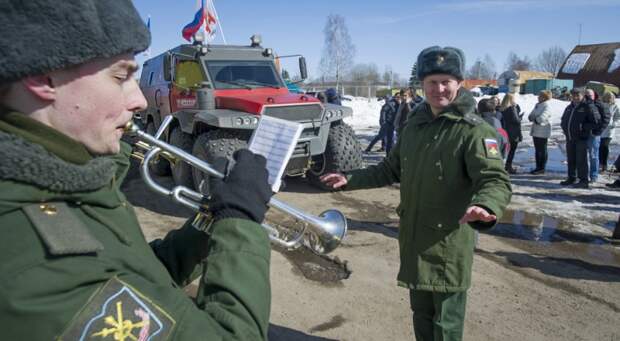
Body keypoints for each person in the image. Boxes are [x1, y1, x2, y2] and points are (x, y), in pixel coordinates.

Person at [0, 1, 274, 339]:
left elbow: (139, 275)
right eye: (120, 76)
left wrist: (211, 220)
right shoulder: (36, 264)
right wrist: (240, 223)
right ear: (44, 78)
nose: (140, 99)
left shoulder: (69, 181)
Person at [321, 46, 511, 341]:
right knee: (421, 316)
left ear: (459, 83)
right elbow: (389, 170)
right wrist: (349, 179)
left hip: (447, 243)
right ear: (421, 85)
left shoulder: (473, 131)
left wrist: (486, 205)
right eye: (432, 82)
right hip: (414, 240)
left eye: (446, 81)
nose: (439, 89)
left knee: (446, 325)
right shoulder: (415, 127)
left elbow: (495, 179)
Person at [560, 88, 598, 188]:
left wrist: (583, 128)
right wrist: (564, 127)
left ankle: (583, 180)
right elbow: (564, 119)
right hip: (570, 137)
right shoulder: (570, 107)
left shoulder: (588, 106)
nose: (575, 98)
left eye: (578, 95)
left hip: (581, 138)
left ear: (583, 95)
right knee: (571, 158)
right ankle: (571, 177)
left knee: (581, 160)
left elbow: (596, 122)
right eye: (573, 96)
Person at [527, 90, 553, 174]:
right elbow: (532, 115)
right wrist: (531, 117)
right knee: (537, 150)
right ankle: (538, 167)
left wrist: (536, 119)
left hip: (543, 130)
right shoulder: (538, 105)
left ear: (544, 97)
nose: (538, 97)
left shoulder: (547, 105)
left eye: (540, 96)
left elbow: (544, 116)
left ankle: (542, 167)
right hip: (536, 130)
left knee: (542, 150)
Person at [585, 88, 606, 182]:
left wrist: (598, 131)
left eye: (590, 95)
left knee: (593, 156)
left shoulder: (600, 104)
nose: (588, 97)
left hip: (594, 135)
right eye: (586, 95)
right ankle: (582, 175)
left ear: (594, 95)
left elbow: (606, 119)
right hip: (583, 134)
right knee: (582, 156)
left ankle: (594, 176)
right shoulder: (582, 105)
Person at [500, 93, 523, 174]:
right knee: (512, 150)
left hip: (504, 132)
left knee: (504, 150)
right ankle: (508, 166)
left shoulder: (501, 108)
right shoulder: (512, 108)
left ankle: (502, 165)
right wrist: (520, 117)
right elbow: (516, 120)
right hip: (513, 132)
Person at [599, 91, 619, 172]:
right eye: (608, 97)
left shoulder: (615, 106)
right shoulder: (601, 105)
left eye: (611, 97)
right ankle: (601, 164)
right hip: (601, 129)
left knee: (605, 146)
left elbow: (617, 117)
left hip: (609, 130)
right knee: (600, 147)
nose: (610, 99)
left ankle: (605, 164)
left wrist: (614, 123)